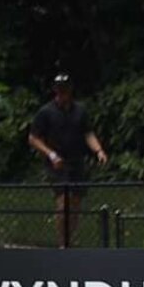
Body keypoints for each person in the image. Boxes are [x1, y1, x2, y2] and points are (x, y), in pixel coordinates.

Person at [25, 74, 107, 248]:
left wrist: (98, 150)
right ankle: (62, 244)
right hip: (57, 163)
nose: (62, 93)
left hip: (76, 161)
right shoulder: (46, 112)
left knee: (75, 203)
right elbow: (33, 138)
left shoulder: (80, 111)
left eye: (65, 89)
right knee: (64, 202)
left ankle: (70, 239)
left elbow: (88, 133)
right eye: (59, 90)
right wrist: (51, 154)